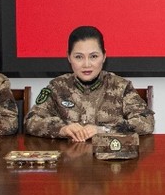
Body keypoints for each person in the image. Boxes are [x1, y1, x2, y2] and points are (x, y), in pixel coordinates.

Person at [25, 25, 154, 140]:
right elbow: (31, 120)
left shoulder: (121, 86)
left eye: (93, 56)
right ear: (69, 57)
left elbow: (147, 122)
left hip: (110, 162)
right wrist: (62, 129)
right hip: (69, 161)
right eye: (79, 57)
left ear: (104, 56)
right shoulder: (57, 87)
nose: (87, 64)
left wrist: (103, 130)